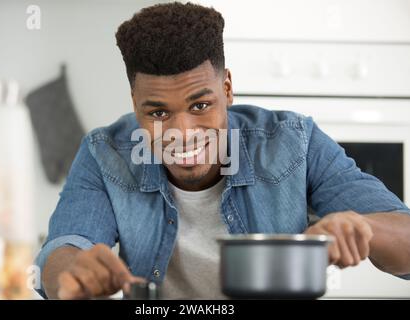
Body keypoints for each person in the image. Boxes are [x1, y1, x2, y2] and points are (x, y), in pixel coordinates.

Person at [35, 2, 410, 299]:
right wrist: (71, 274)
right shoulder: (105, 153)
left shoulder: (295, 141)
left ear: (227, 88)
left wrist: (363, 227)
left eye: (200, 106)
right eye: (158, 112)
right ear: (135, 103)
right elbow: (65, 247)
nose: (182, 134)